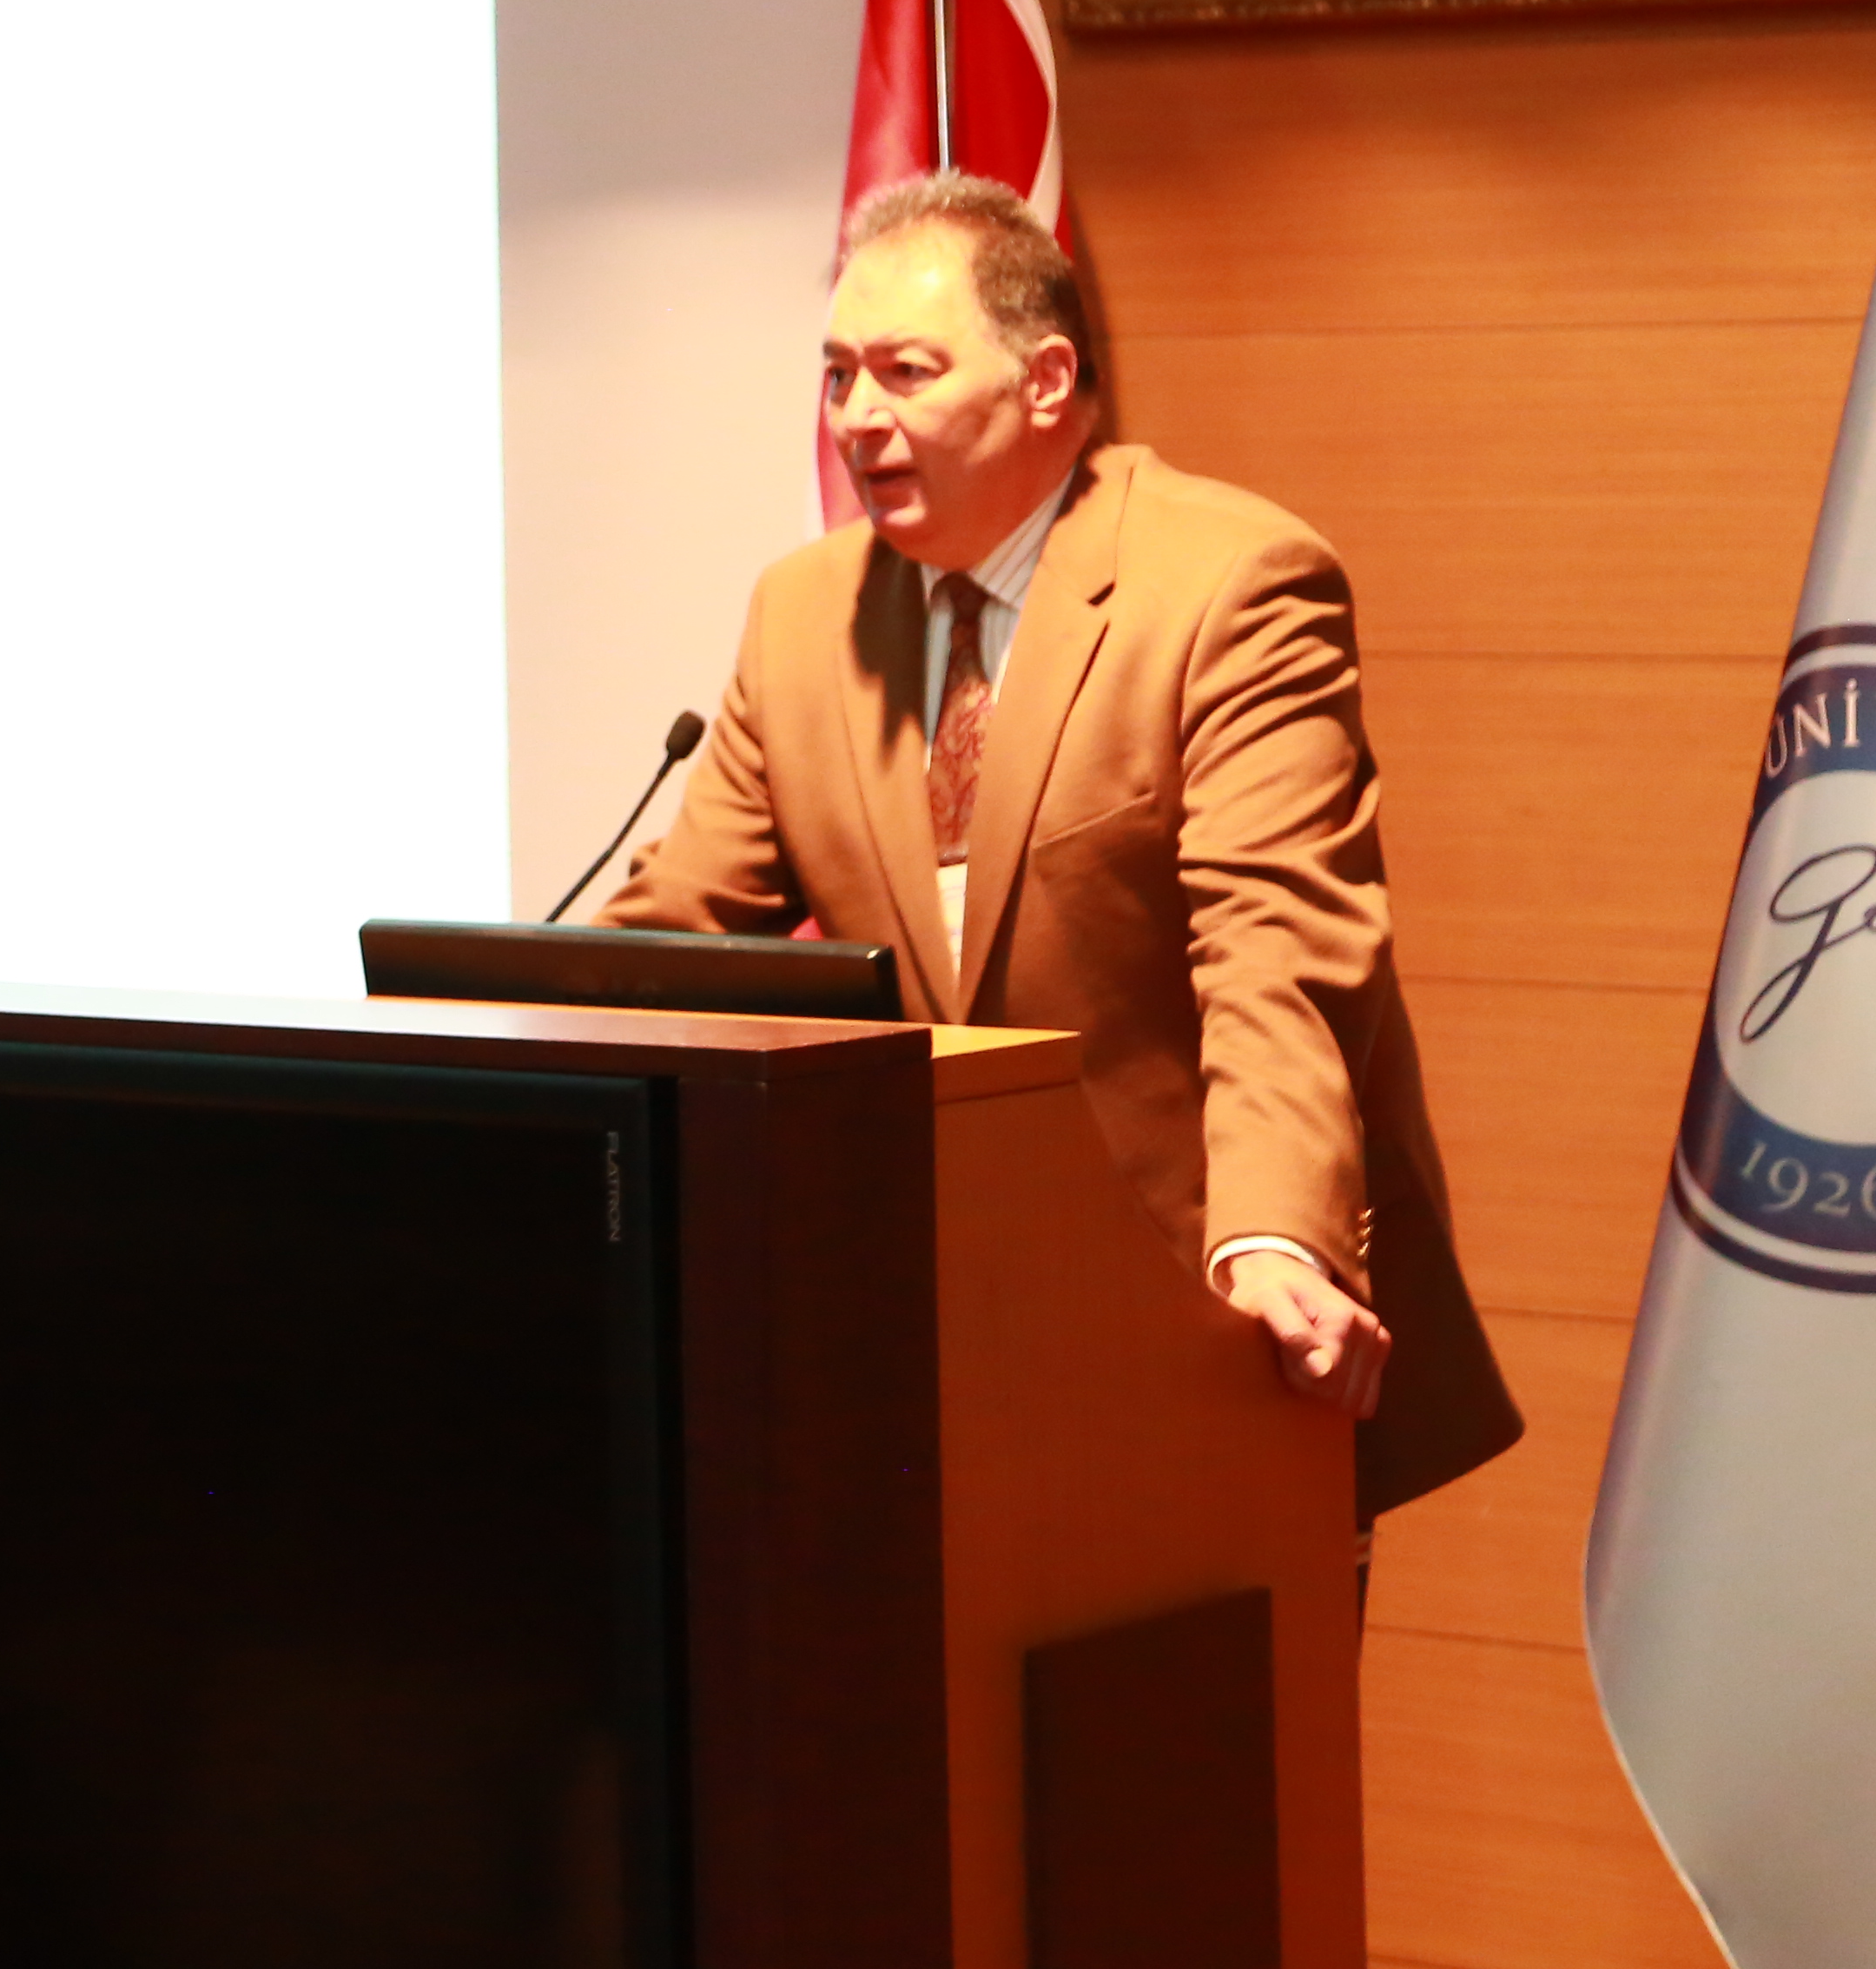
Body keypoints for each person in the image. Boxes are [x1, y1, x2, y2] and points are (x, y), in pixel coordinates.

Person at [603, 174, 1521, 1519]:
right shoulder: (803, 613)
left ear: (1045, 381)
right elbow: (679, 943)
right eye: (839, 374)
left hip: (1199, 1306)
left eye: (907, 371)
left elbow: (1277, 954)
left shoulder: (1230, 581)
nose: (857, 416)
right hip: (920, 1332)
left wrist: (1272, 1243)